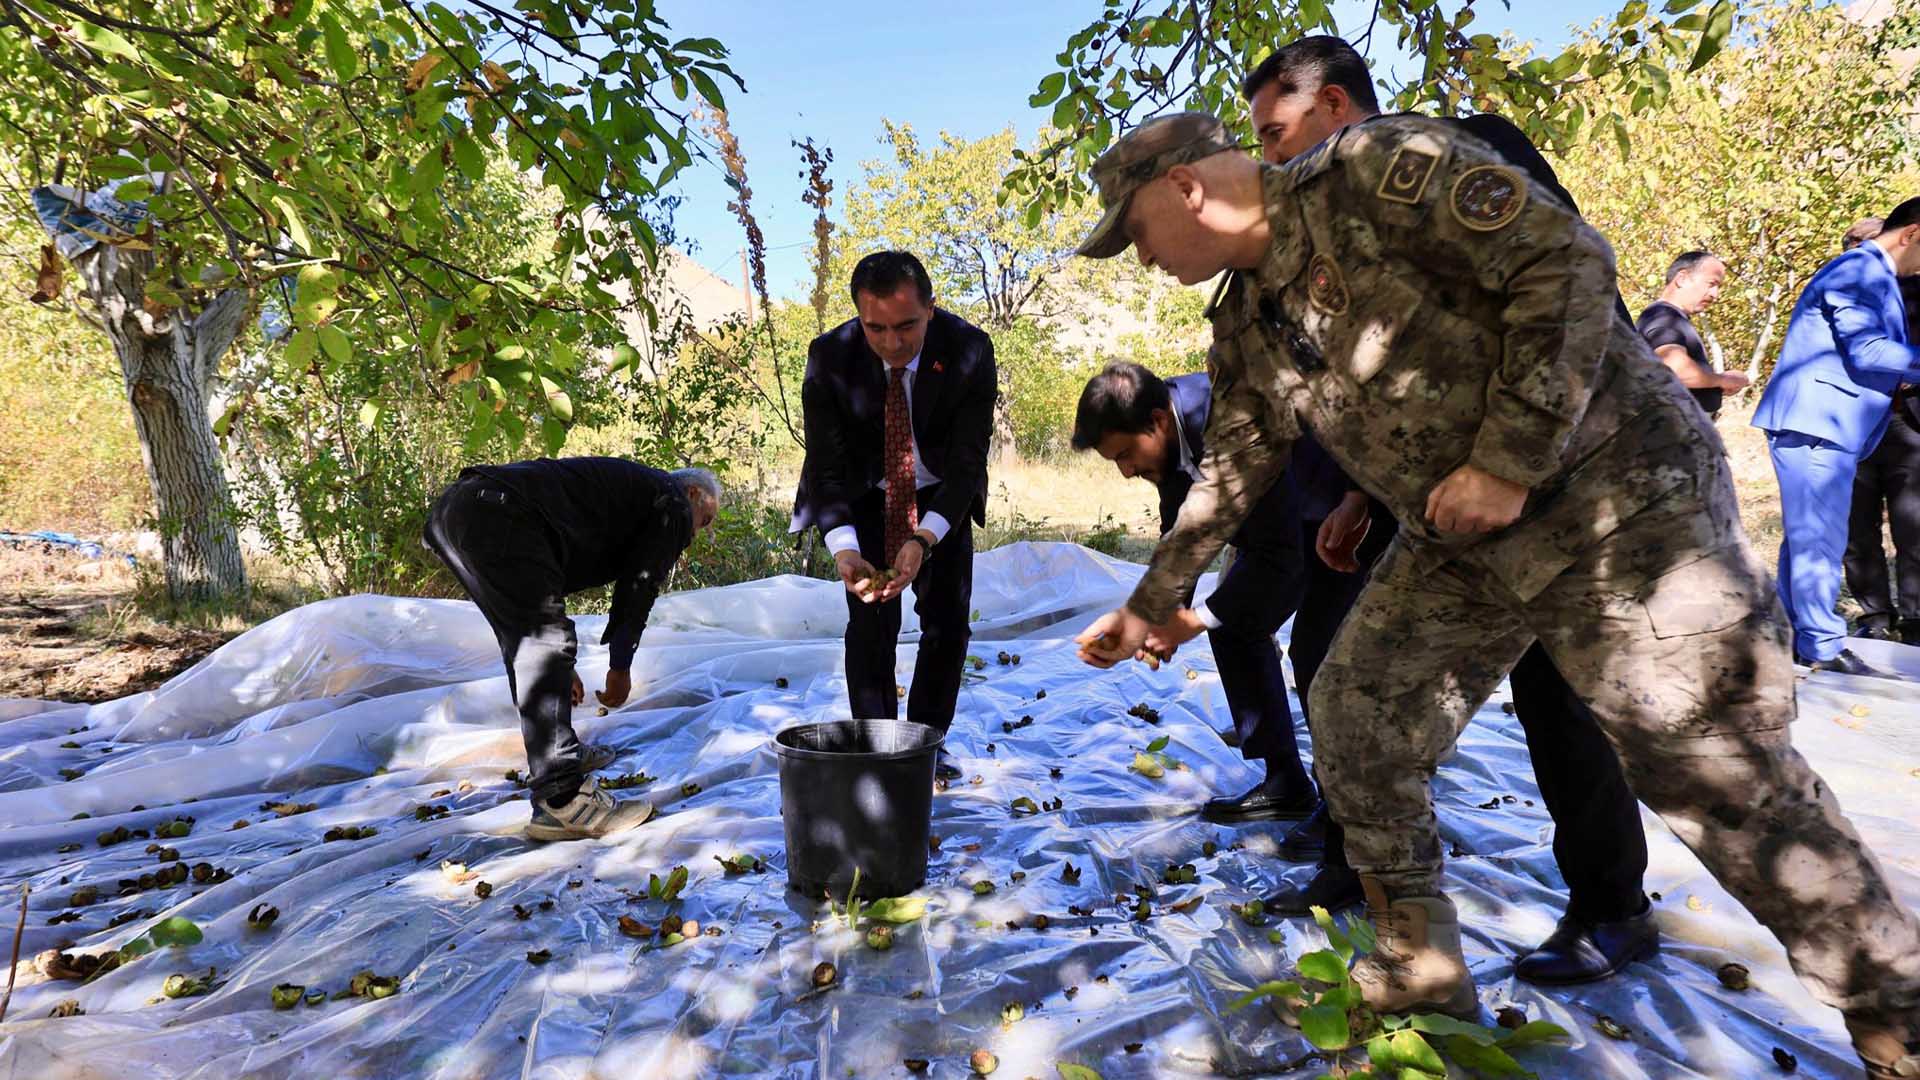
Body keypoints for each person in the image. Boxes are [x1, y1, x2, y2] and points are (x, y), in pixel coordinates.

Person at [1068, 110, 1920, 1076]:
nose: (1141, 258)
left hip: (1615, 496)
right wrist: (1153, 599)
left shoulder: (1372, 170)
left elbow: (1567, 265)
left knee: (1708, 762)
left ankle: (1894, 1008)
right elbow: (1234, 464)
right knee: (1357, 709)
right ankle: (1420, 965)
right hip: (1462, 531)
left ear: (1186, 190)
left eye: (1136, 233)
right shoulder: (1247, 315)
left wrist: (1509, 460)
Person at [1236, 35, 1655, 985]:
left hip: (1558, 481)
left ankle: (1614, 907)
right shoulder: (1327, 230)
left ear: (1335, 107)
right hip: (1434, 504)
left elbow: (1566, 299)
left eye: (1273, 133)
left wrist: (1510, 468)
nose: (1266, 158)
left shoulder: (1460, 154)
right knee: (1350, 679)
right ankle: (1367, 872)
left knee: (1562, 697)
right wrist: (1358, 494)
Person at [1070, 361, 1348, 826]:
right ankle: (1286, 782)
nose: (1126, 471)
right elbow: (1181, 525)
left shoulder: (1227, 420)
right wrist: (1162, 613)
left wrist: (1192, 621)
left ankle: (1346, 814)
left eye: (1126, 455)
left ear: (1157, 421)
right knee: (1235, 625)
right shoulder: (1171, 438)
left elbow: (1278, 555)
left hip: (1340, 512)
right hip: (1279, 525)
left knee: (1318, 653)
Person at [424, 458, 719, 840]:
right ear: (692, 494)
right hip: (497, 510)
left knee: (530, 639)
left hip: (457, 513)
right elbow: (639, 585)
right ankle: (562, 799)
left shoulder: (636, 494)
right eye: (704, 520)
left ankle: (560, 758)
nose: (694, 534)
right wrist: (620, 667)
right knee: (545, 640)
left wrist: (561, 668)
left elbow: (531, 616)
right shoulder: (672, 502)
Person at [790, 251, 996, 782]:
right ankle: (877, 746)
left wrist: (923, 539)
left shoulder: (969, 349)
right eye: (875, 328)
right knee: (869, 623)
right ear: (859, 317)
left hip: (940, 496)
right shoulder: (830, 357)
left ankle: (926, 745)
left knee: (947, 624)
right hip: (864, 494)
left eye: (907, 326)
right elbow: (826, 467)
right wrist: (845, 550)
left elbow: (968, 463)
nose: (892, 343)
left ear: (931, 308)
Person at [1753, 198, 1920, 675]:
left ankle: (1792, 637)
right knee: (1818, 541)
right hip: (1817, 424)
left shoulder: (1875, 273)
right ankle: (1823, 646)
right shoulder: (1858, 270)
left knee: (1808, 538)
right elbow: (1868, 349)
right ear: (1911, 234)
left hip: (1827, 426)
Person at [1840, 218, 1920, 644]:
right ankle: (1874, 614)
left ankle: (1916, 617)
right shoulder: (1840, 289)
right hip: (1852, 424)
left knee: (1914, 525)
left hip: (1909, 424)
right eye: (1857, 246)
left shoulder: (1915, 288)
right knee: (1857, 527)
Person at [1637, 251, 1748, 418]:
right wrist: (1723, 379)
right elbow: (1675, 370)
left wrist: (1715, 386)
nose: (1715, 294)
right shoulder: (1664, 317)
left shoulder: (1669, 317)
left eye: (1718, 287)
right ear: (1682, 279)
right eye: (1711, 284)